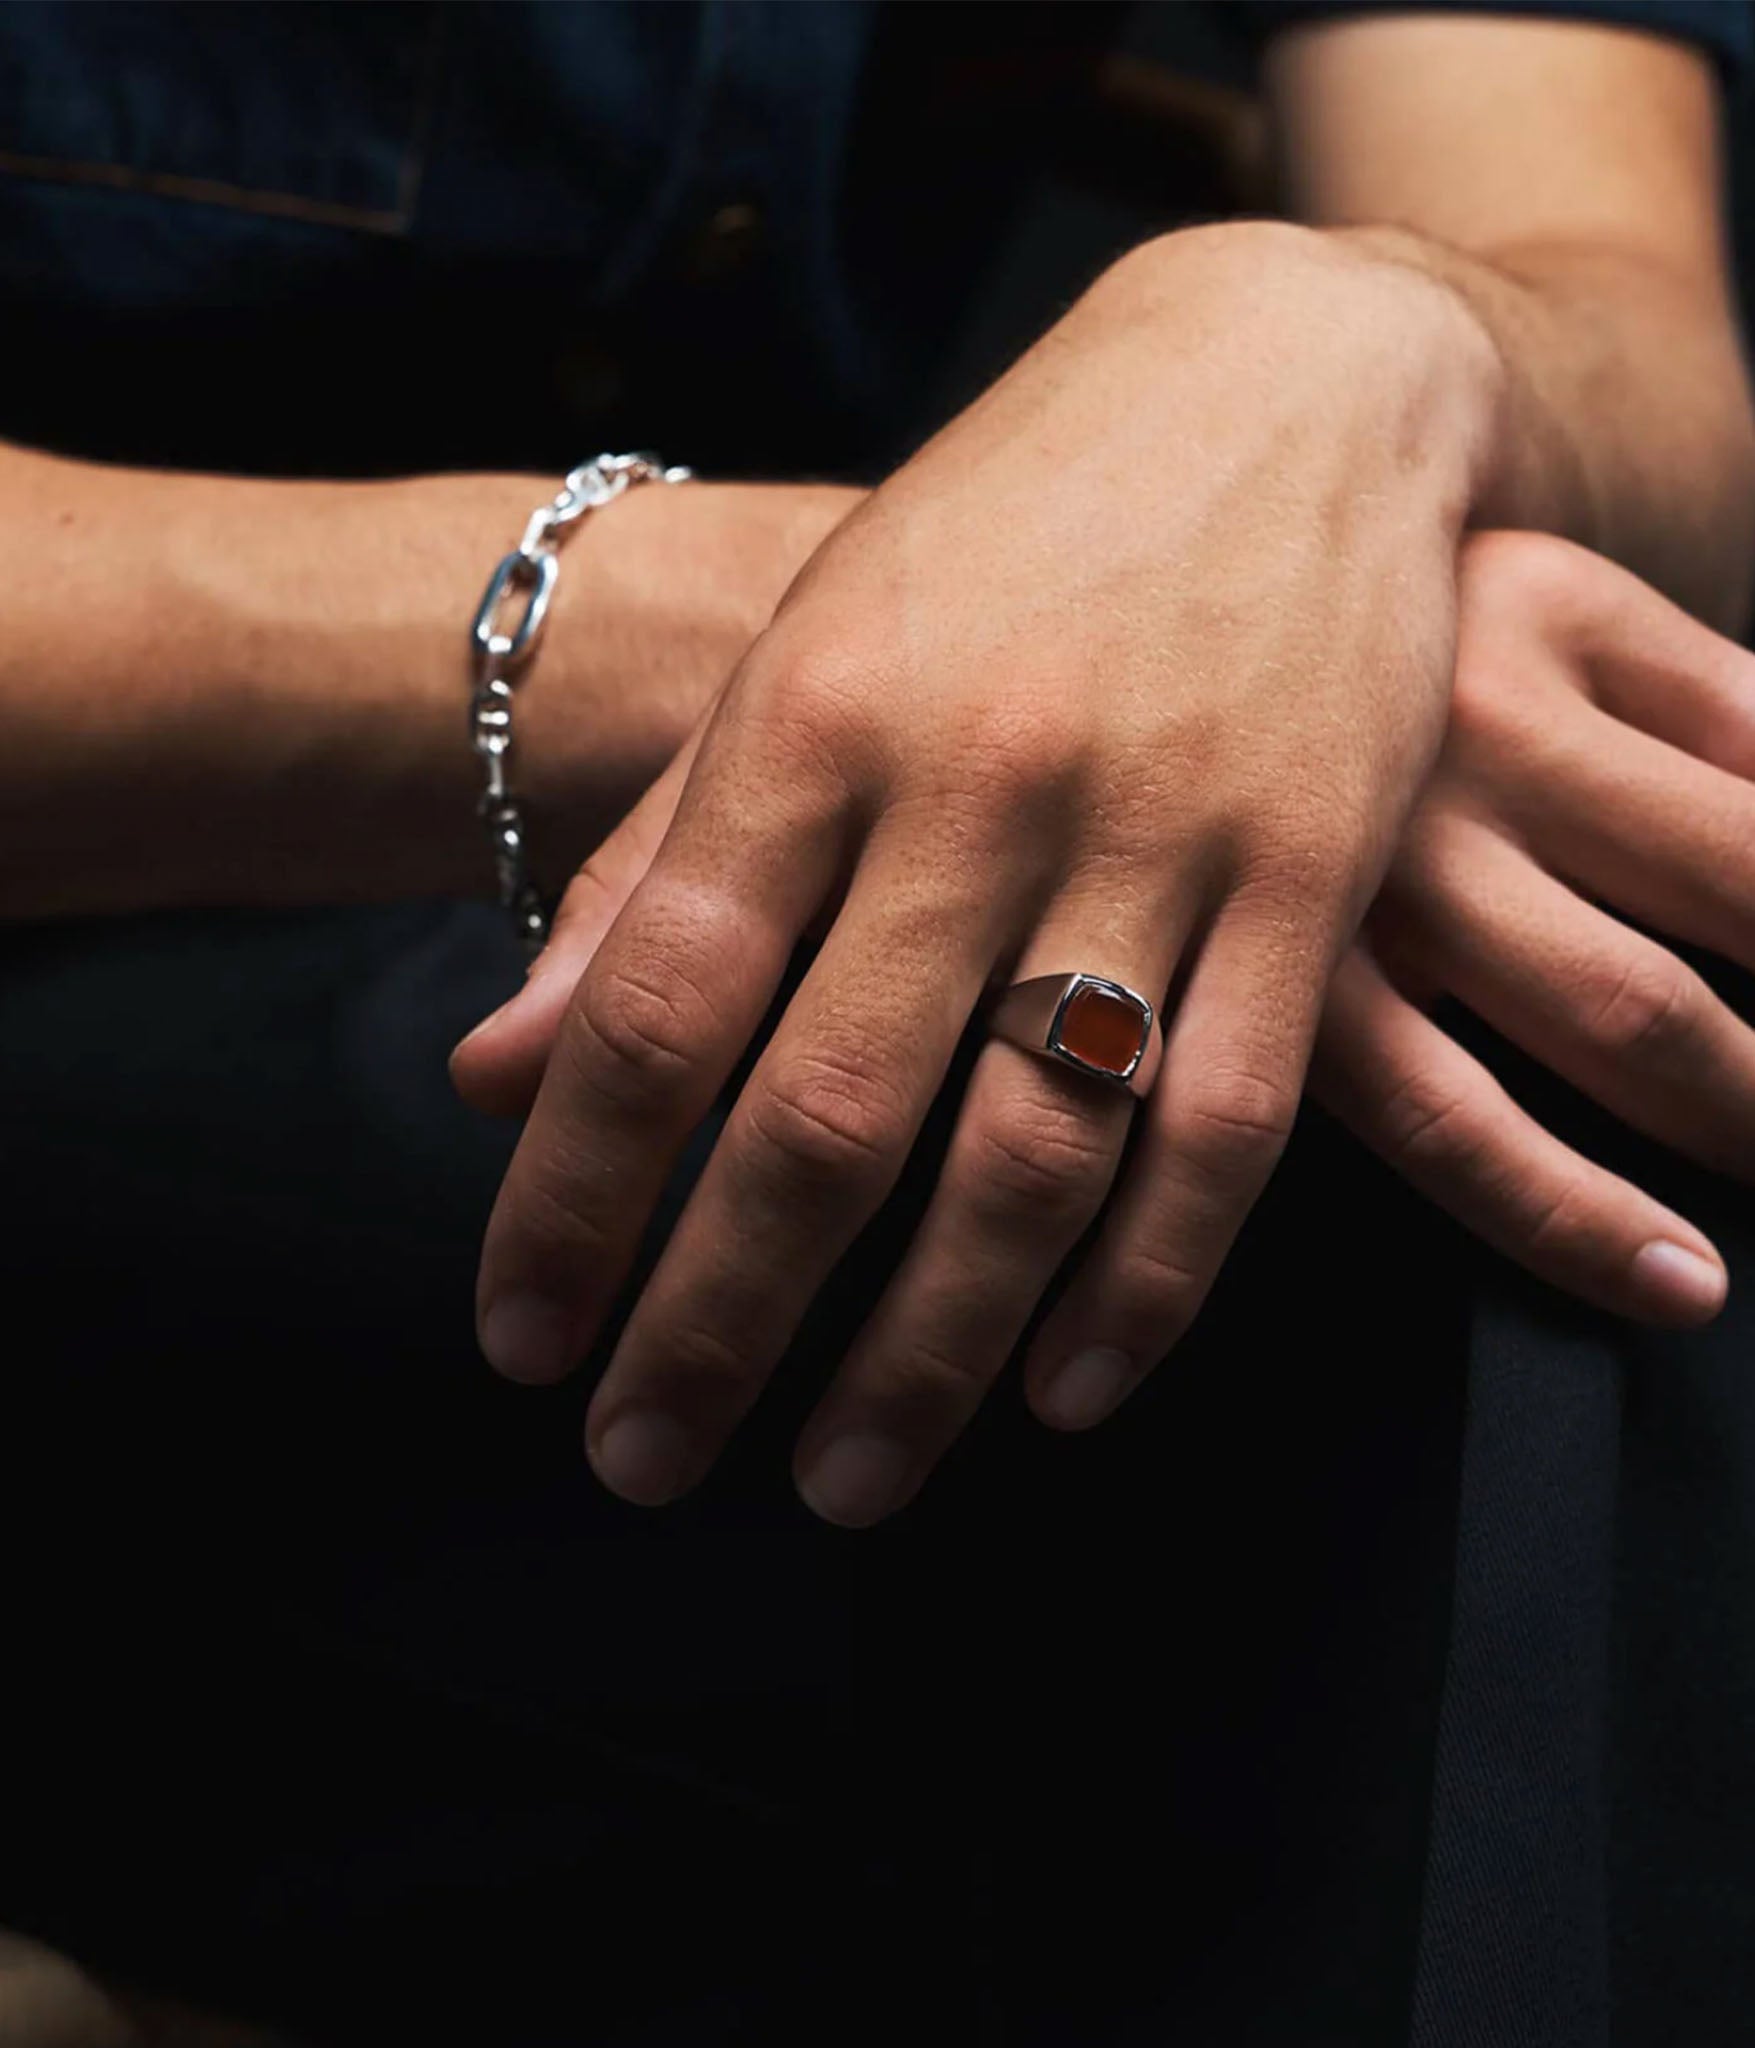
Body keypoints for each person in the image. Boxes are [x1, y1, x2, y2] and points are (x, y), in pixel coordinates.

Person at [3, 4, 1753, 2043]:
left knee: (1504, 1123)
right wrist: (930, 627)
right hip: (107, 907)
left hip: (716, 933)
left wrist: (1351, 350)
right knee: (1380, 1276)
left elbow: (1618, 315)